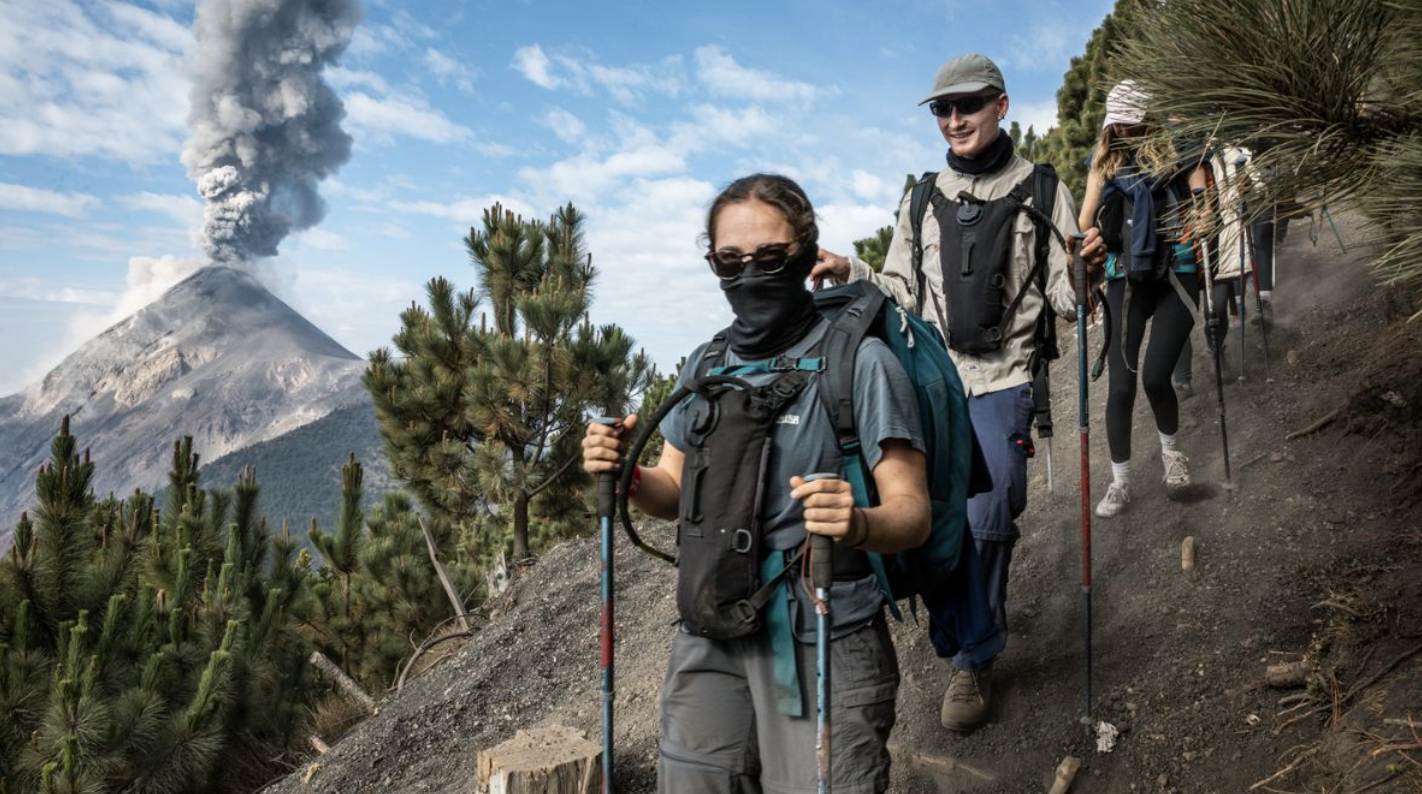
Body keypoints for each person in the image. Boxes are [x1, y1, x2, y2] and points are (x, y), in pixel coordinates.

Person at [582, 173, 931, 793]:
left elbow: (912, 513)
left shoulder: (860, 364)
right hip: (710, 622)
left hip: (822, 629)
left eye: (771, 258)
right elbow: (671, 486)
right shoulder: (706, 365)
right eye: (729, 260)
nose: (750, 274)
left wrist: (858, 522)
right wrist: (628, 477)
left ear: (804, 251)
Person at [812, 53, 1104, 732]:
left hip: (1006, 378)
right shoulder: (921, 198)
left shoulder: (1044, 189)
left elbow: (1070, 295)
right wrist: (849, 268)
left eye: (966, 105)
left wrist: (1095, 267)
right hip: (937, 382)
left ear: (1001, 105)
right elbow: (900, 290)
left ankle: (972, 655)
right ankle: (966, 632)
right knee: (939, 521)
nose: (953, 120)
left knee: (992, 510)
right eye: (942, 109)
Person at [1077, 80, 1210, 518]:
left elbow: (1202, 198)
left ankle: (1173, 459)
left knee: (1156, 377)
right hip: (1123, 279)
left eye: (1133, 125)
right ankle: (1120, 482)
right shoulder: (1104, 163)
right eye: (1119, 126)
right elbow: (1083, 221)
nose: (1127, 133)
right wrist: (1087, 243)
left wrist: (1204, 212)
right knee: (1120, 385)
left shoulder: (1180, 149)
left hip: (1177, 273)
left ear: (1148, 120)